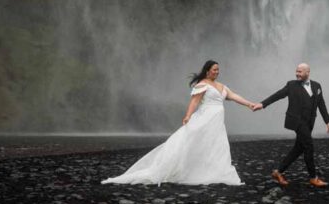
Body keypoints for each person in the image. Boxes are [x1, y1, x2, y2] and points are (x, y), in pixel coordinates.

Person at [101, 60, 257, 186]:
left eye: (218, 69)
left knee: (216, 145)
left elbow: (234, 96)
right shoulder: (203, 85)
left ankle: (215, 171)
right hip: (204, 119)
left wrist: (249, 104)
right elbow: (194, 102)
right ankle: (182, 168)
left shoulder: (222, 86)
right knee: (193, 142)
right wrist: (188, 116)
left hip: (216, 123)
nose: (217, 72)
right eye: (214, 69)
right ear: (207, 71)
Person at [252, 62, 329, 187]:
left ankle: (278, 172)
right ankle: (313, 177)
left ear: (307, 72)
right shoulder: (291, 85)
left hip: (309, 122)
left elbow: (321, 104)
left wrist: (327, 121)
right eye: (296, 71)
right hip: (297, 121)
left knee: (299, 148)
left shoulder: (317, 86)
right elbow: (278, 95)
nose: (297, 74)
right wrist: (262, 104)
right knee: (309, 146)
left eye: (300, 71)